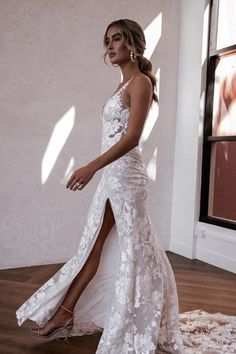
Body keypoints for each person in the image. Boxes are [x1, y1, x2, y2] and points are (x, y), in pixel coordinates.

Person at [16, 19, 185, 353]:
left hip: (126, 178)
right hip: (114, 176)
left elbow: (132, 138)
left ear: (133, 44)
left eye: (117, 39)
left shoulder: (141, 83)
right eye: (107, 40)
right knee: (95, 247)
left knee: (134, 250)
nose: (109, 46)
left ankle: (136, 318)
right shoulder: (121, 87)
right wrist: (100, 170)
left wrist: (92, 166)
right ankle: (64, 313)